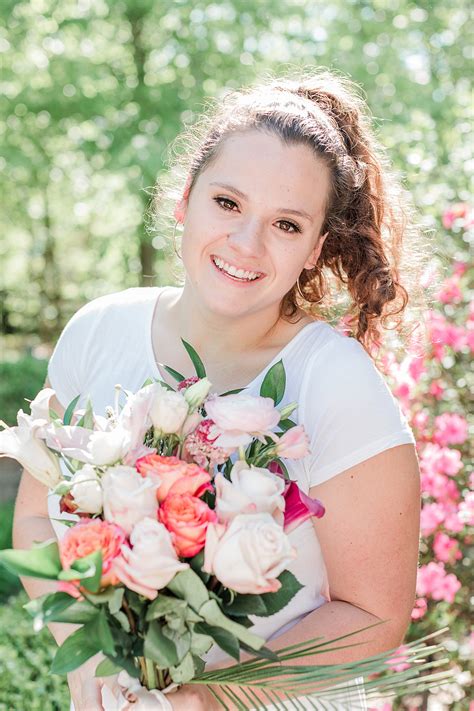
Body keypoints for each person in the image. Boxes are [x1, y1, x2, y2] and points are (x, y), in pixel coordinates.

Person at [13, 69, 422, 710]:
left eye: (286, 224)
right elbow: (38, 518)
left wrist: (210, 698)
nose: (245, 242)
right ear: (184, 200)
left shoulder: (336, 382)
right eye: (227, 203)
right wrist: (90, 652)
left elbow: (373, 614)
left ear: (316, 248)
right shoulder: (96, 331)